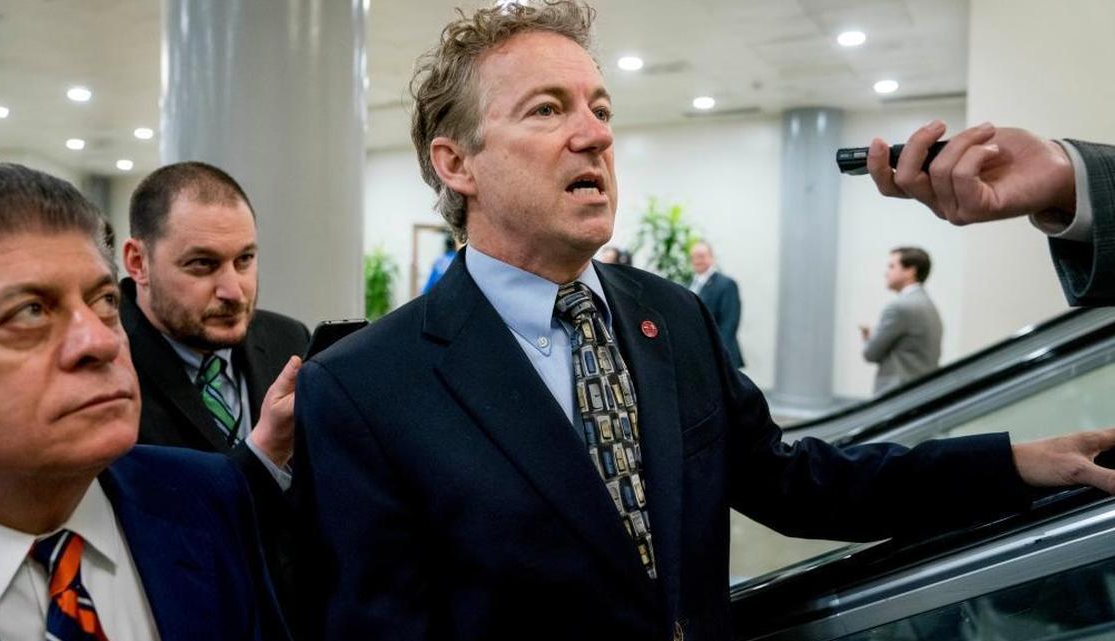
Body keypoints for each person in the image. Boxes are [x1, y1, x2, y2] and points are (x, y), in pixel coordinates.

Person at [293, 4, 1115, 640]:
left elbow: (794, 481)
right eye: (547, 110)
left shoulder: (670, 317)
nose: (594, 134)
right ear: (455, 161)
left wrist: (1014, 461)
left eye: (601, 107)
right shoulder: (368, 385)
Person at [0, 163, 289, 640]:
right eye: (30, 312)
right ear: (140, 265)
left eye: (103, 302)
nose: (99, 342)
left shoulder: (204, 499)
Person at [119, 161, 308, 609]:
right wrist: (264, 454)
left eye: (244, 259)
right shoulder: (104, 364)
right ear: (138, 262)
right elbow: (156, 524)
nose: (234, 290)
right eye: (202, 265)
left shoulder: (287, 338)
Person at [866, 121, 1114, 305]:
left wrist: (1067, 179)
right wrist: (1068, 179)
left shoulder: (903, 307)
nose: (886, 271)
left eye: (891, 265)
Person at [860, 246, 942, 394]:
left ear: (910, 271)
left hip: (896, 393)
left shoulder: (899, 307)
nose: (886, 273)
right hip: (920, 392)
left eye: (892, 266)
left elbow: (870, 354)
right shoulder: (928, 304)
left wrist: (868, 339)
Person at [689, 240, 745, 368]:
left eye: (702, 256)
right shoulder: (688, 284)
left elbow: (729, 323)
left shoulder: (726, 284)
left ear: (711, 258)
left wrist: (718, 353)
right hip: (697, 354)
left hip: (719, 355)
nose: (698, 260)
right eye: (694, 256)